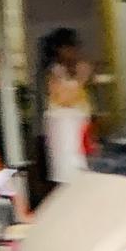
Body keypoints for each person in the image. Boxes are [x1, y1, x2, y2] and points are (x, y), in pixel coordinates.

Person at [40, 28, 94, 189]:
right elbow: (64, 99)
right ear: (60, 49)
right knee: (70, 174)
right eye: (71, 48)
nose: (75, 52)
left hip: (79, 130)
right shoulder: (55, 72)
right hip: (66, 133)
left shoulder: (72, 70)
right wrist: (81, 78)